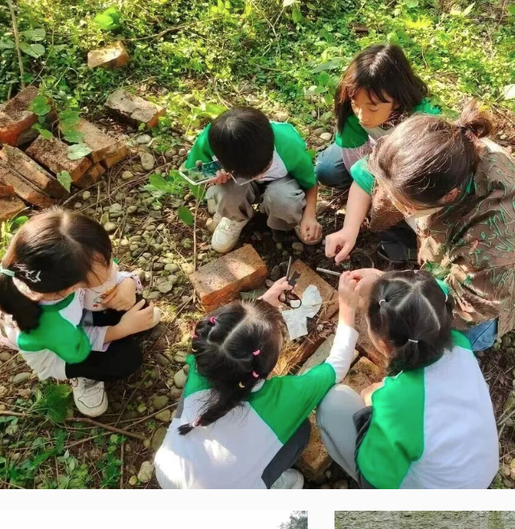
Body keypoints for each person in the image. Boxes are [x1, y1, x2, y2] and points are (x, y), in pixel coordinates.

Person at [325, 104, 515, 351]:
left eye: (406, 207)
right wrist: (350, 229)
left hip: (513, 276)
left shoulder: (497, 225)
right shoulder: (427, 151)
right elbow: (375, 177)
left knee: (436, 341)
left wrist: (388, 285)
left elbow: (472, 303)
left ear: (449, 196)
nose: (392, 204)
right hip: (471, 241)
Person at [154, 274, 359, 489]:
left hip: (169, 474)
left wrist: (258, 311)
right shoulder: (284, 399)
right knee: (301, 432)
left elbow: (230, 340)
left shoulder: (203, 363)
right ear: (265, 366)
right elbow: (335, 367)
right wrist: (348, 309)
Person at [317, 269, 499, 488]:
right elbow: (436, 291)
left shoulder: (394, 403)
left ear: (383, 343)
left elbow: (374, 477)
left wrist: (372, 406)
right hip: (476, 476)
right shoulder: (460, 344)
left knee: (332, 403)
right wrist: (383, 281)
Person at [0, 209, 158, 416]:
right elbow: (79, 346)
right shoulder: (49, 324)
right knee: (127, 358)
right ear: (69, 287)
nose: (110, 267)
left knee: (136, 306)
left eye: (107, 261)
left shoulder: (65, 268)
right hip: (65, 352)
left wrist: (127, 283)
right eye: (104, 265)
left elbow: (107, 275)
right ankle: (83, 376)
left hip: (77, 318)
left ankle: (116, 332)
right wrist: (122, 328)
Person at [185, 107, 321, 254]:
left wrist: (309, 215)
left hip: (282, 184)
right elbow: (194, 173)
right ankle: (236, 218)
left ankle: (289, 220)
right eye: (251, 174)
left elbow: (311, 183)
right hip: (236, 184)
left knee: (285, 202)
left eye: (266, 168)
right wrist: (213, 177)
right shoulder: (212, 142)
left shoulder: (288, 146)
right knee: (223, 193)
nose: (260, 176)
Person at [316, 43, 439, 189]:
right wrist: (367, 185)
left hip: (402, 155)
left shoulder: (421, 121)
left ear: (397, 100)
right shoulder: (351, 111)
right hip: (368, 146)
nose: (362, 116)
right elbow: (354, 165)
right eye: (356, 104)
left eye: (372, 108)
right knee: (327, 170)